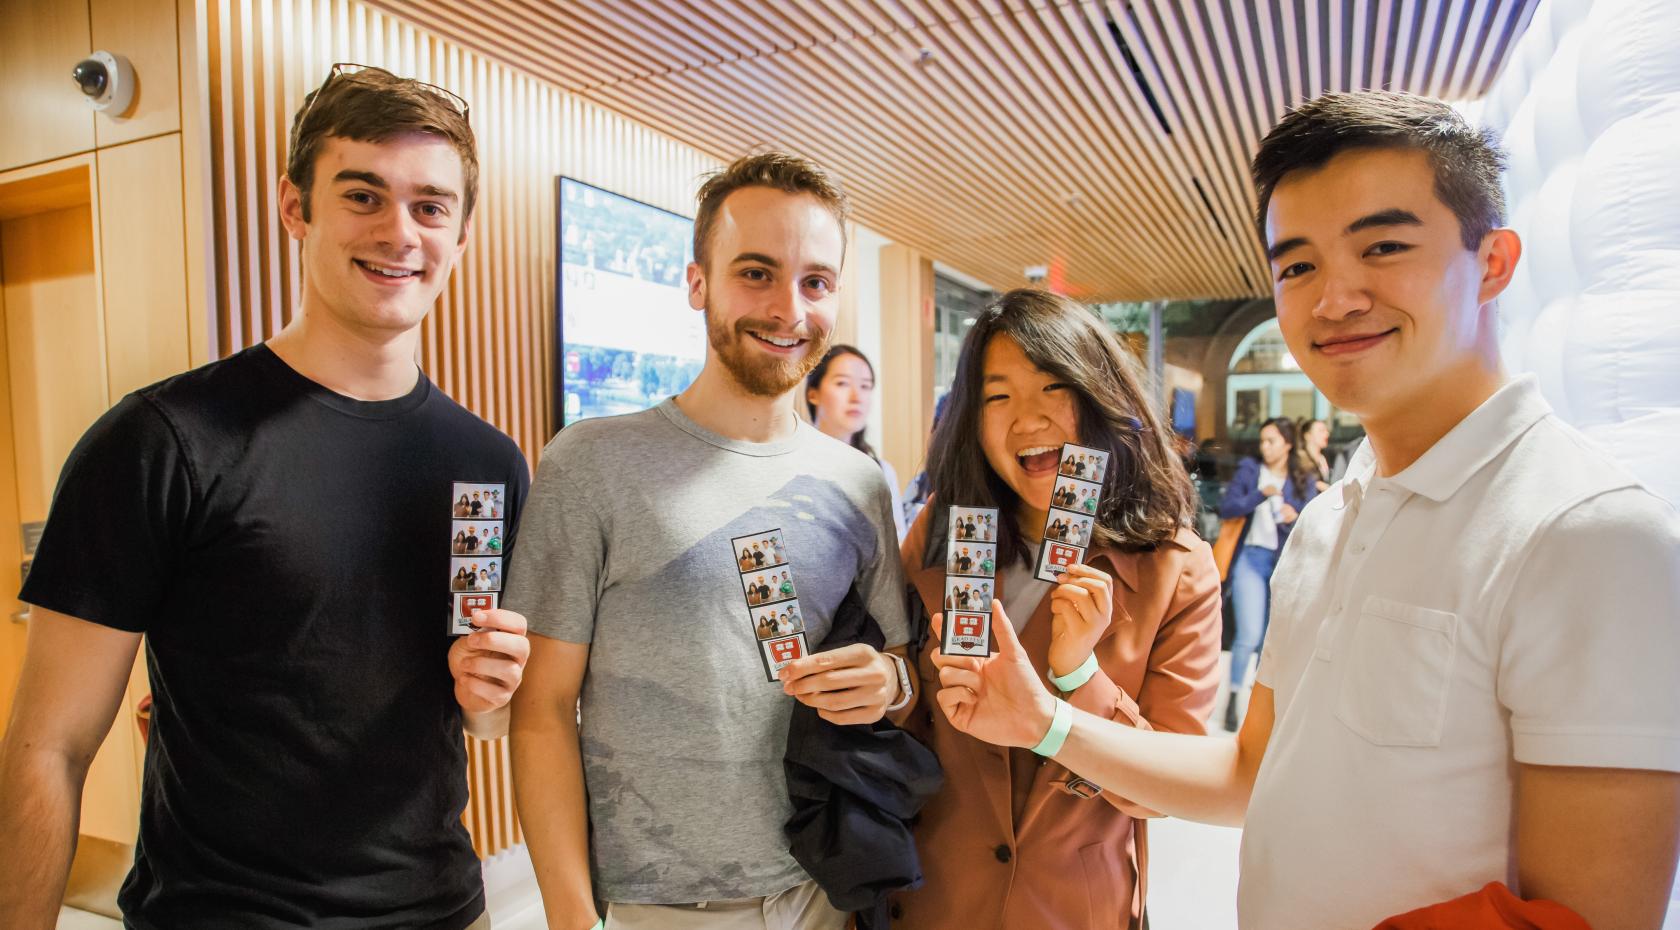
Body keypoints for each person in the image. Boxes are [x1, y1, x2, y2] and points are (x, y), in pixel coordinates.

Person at [928, 91, 1680, 930]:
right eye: (1297, 266)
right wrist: (1043, 719)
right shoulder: (1327, 525)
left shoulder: (1591, 532)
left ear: (1495, 262)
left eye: (1383, 246)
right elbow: (1249, 776)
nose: (1334, 298)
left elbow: (1586, 915)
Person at [0, 65, 531, 930]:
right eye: (362, 195)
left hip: (438, 911)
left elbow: (483, 724)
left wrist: (492, 699)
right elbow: (46, 749)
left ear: (461, 235)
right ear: (295, 208)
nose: (400, 232)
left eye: (431, 206)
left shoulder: (489, 462)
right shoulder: (165, 440)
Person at [506, 151, 912, 930]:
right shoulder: (592, 463)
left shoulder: (859, 483)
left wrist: (891, 682)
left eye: (815, 282)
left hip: (825, 889)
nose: (788, 309)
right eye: (755, 273)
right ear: (698, 283)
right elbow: (542, 708)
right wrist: (568, 914)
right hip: (658, 902)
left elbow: (901, 667)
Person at [894, 288, 1220, 928]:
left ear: (1099, 395)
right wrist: (888, 685)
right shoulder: (945, 533)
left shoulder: (1174, 566)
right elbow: (903, 708)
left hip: (1072, 906)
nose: (1026, 419)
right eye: (997, 396)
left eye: (1051, 388)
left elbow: (1170, 784)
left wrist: (1079, 678)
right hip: (935, 895)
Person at [1217, 416, 1318, 730]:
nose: (1265, 447)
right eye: (1262, 441)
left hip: (1285, 562)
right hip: (1250, 558)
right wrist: (1261, 494)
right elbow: (1228, 508)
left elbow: (1315, 519)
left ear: (1287, 444)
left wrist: (1295, 514)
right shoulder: (1250, 469)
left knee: (1274, 638)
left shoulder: (1303, 475)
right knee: (1248, 634)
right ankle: (1233, 697)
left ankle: (1257, 704)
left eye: (1272, 441)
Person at [806, 344, 908, 540]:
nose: (857, 397)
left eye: (865, 386)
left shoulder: (881, 472)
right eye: (842, 383)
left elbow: (896, 549)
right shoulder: (791, 467)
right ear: (813, 394)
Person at [1299, 417, 1333, 490]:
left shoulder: (1327, 457)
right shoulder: (1300, 458)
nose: (1327, 434)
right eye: (1321, 431)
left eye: (1326, 430)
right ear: (1307, 435)